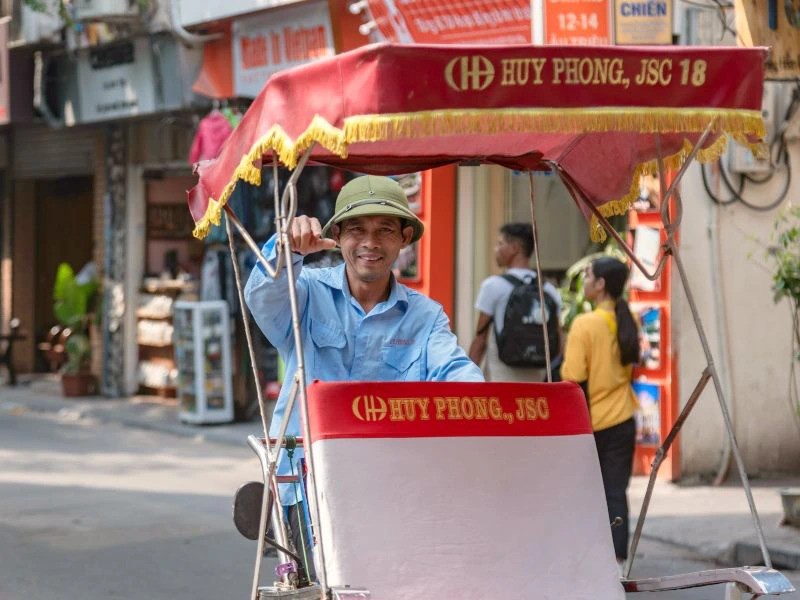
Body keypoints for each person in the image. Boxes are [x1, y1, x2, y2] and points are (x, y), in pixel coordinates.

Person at [245, 174, 484, 580]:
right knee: (316, 586)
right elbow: (260, 298)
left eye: (384, 231)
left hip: (396, 484)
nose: (370, 243)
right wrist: (285, 250)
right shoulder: (305, 292)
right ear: (336, 236)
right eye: (356, 230)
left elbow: (459, 376)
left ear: (404, 237)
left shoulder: (425, 316)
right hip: (308, 483)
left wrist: (494, 411)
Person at [559, 257, 641, 568]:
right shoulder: (627, 317)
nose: (585, 280)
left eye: (589, 275)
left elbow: (573, 377)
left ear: (601, 283)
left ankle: (585, 560)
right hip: (623, 418)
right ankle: (618, 562)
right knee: (615, 492)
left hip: (590, 422)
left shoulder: (585, 323)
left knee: (583, 493)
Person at [468, 222, 562, 382]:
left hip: (501, 380)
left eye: (500, 244)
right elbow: (558, 341)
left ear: (514, 248)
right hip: (537, 381)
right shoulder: (549, 290)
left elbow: (480, 339)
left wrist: (466, 380)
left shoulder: (493, 286)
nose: (495, 249)